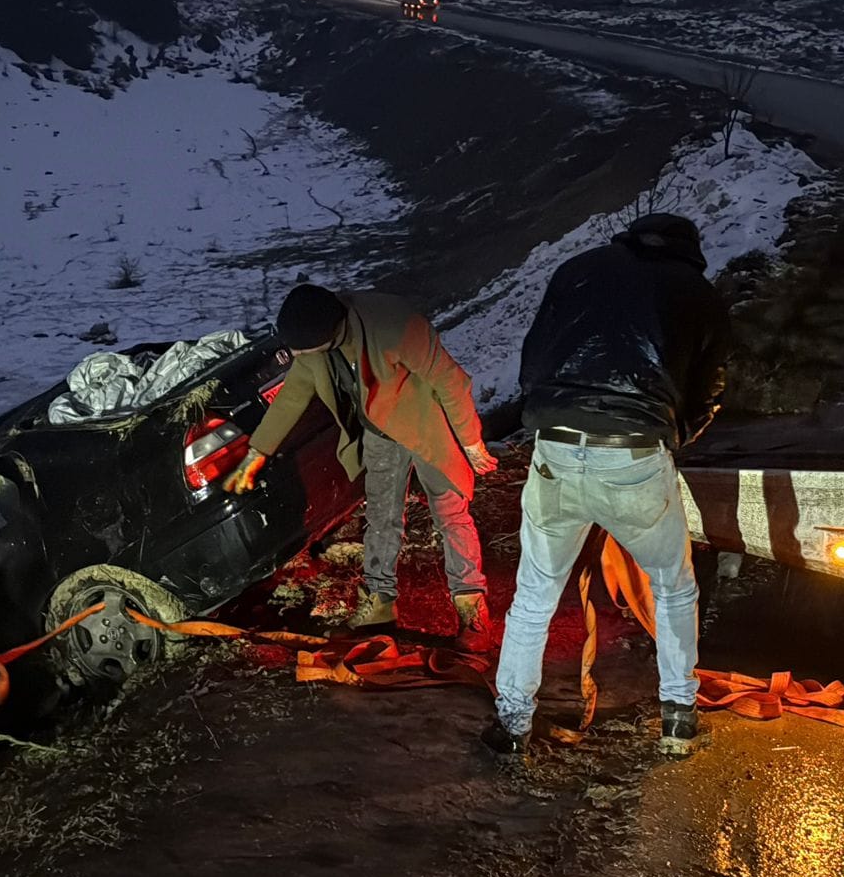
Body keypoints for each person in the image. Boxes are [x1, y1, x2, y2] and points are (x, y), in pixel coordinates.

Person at [485, 212, 733, 757]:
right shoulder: (698, 293)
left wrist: (545, 416)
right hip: (634, 455)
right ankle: (678, 718)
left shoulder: (576, 270)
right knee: (672, 586)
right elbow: (708, 390)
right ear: (686, 251)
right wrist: (670, 435)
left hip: (554, 446)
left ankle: (510, 725)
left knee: (533, 594)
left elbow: (534, 356)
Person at [224, 284, 498, 648]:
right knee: (382, 516)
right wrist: (257, 451)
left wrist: (471, 441)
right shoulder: (311, 347)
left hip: (427, 420)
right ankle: (380, 605)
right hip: (379, 429)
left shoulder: (393, 324)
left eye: (303, 350)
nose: (298, 356)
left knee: (450, 513)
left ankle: (471, 608)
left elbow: (450, 379)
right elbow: (292, 396)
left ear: (331, 331)